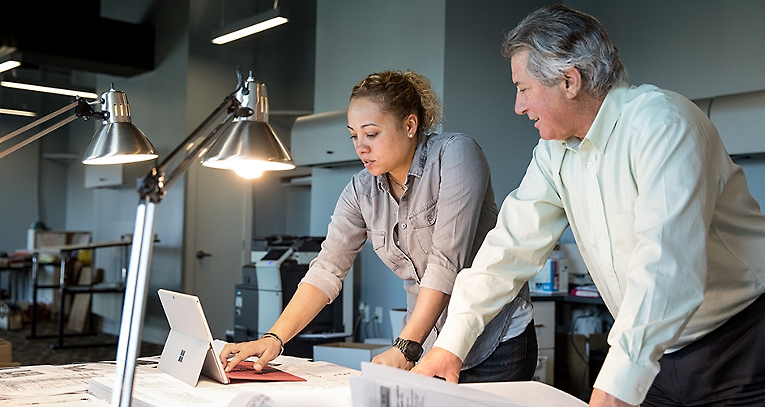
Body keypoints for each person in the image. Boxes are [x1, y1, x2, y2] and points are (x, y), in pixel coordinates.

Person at [412, 4, 765, 407]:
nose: (518, 106)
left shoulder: (663, 124)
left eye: (523, 88)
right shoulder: (555, 153)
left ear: (570, 81)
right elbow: (506, 250)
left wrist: (619, 384)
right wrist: (449, 346)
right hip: (661, 351)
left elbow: (668, 265)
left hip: (746, 339)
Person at [220, 69, 537, 383]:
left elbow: (445, 264)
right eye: (354, 135)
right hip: (428, 345)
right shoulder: (361, 191)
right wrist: (274, 338)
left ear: (410, 125)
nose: (360, 147)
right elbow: (325, 271)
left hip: (494, 341)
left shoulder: (456, 155)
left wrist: (405, 346)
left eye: (371, 134)